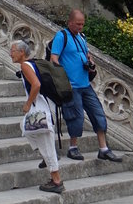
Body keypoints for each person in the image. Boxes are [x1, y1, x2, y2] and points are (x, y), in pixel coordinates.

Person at [51, 8, 122, 162]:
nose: (80, 27)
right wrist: (63, 79)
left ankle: (103, 149)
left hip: (85, 84)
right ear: (70, 22)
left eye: (82, 24)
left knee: (98, 114)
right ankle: (73, 148)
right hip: (72, 86)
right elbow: (54, 59)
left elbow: (86, 55)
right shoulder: (61, 36)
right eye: (78, 24)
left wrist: (90, 63)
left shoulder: (82, 37)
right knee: (76, 116)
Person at [9, 38, 64, 194]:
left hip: (39, 108)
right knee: (25, 128)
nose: (10, 54)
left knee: (47, 144)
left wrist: (28, 103)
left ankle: (56, 180)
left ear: (21, 52)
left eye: (13, 51)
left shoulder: (26, 66)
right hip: (43, 106)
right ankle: (46, 158)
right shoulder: (31, 64)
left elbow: (37, 85)